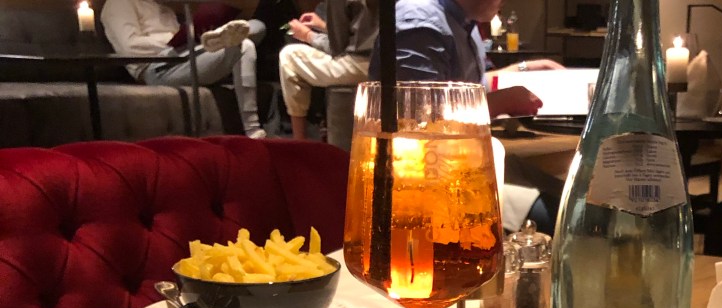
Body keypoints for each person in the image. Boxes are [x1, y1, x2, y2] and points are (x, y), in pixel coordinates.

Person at [369, 0, 565, 232]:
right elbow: (417, 119)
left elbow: (471, 86)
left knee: (568, 196)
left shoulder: (462, 22)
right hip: (426, 182)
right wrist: (502, 101)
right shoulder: (419, 23)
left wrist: (524, 69)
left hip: (467, 165)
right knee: (558, 216)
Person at [100, 0, 268, 139]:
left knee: (257, 26)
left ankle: (217, 37)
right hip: (157, 67)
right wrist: (175, 41)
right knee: (244, 45)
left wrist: (189, 38)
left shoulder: (164, 8)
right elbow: (130, 46)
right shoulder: (118, 3)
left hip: (186, 54)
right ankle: (252, 129)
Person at [278, 0, 379, 141]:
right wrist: (324, 26)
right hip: (389, 64)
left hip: (360, 66)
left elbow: (337, 49)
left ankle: (299, 140)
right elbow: (365, 33)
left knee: (289, 55)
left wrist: (307, 35)